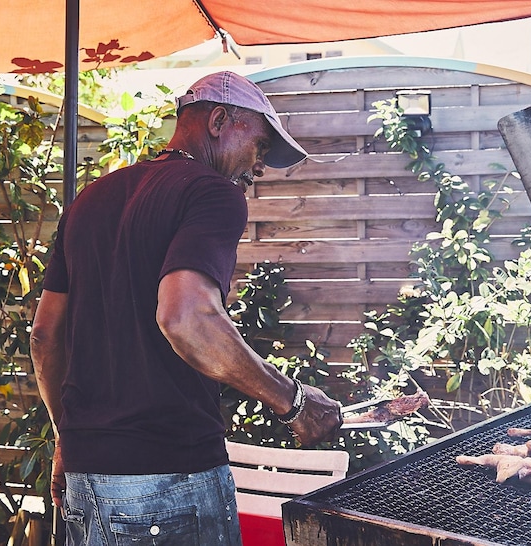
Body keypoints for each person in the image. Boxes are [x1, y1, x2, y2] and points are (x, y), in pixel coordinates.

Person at [30, 71, 343, 546]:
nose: (258, 168)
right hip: (169, 481)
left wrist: (66, 440)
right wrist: (292, 401)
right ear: (219, 120)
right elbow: (186, 318)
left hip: (84, 481)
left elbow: (44, 337)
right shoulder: (212, 192)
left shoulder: (89, 200)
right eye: (259, 148)